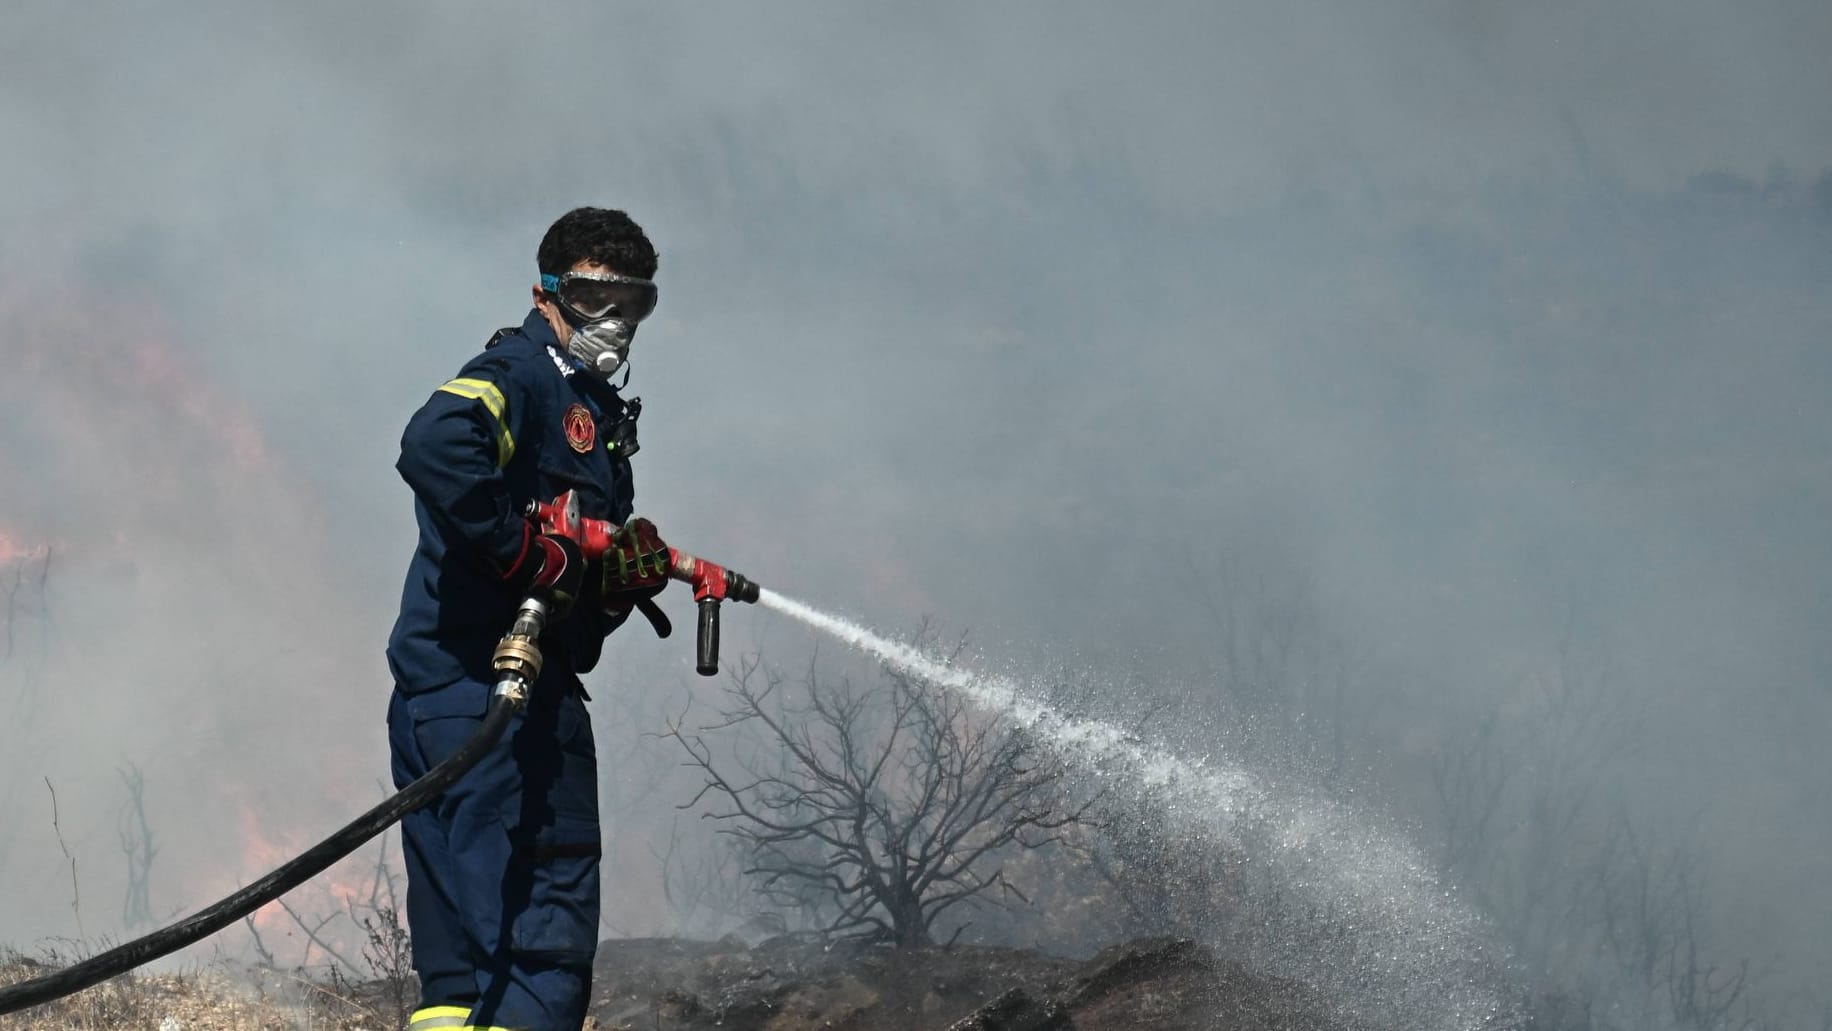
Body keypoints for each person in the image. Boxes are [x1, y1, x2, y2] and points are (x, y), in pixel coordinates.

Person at [385, 207, 674, 1031]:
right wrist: (527, 554)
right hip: (500, 711)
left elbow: (573, 628)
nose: (613, 321)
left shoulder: (600, 424)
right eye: (593, 298)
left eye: (634, 303)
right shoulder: (523, 373)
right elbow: (434, 442)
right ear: (547, 293)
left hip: (445, 703)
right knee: (538, 951)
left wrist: (610, 589)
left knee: (459, 983)